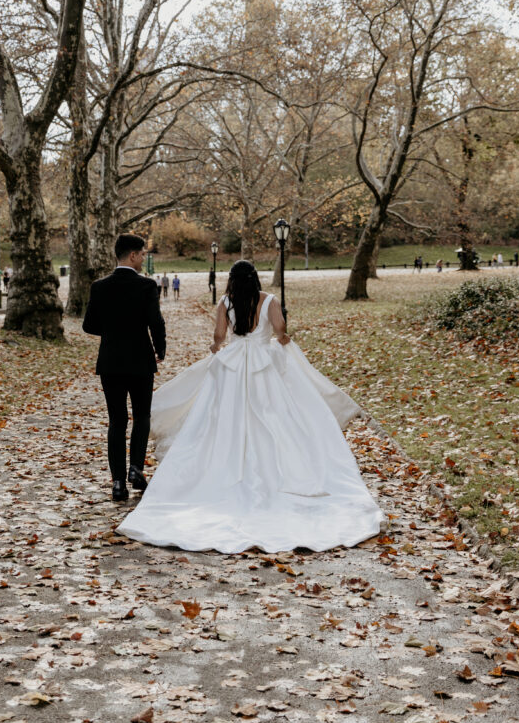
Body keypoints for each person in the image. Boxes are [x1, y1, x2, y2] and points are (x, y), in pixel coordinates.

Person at [117, 259, 384, 554]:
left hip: (232, 364)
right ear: (255, 278)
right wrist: (280, 338)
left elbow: (219, 337)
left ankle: (224, 468)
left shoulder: (225, 302)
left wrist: (222, 345)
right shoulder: (269, 300)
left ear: (232, 280)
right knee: (273, 415)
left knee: (221, 418)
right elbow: (280, 330)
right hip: (262, 363)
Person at [82, 233, 166, 502]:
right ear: (132, 255)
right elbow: (156, 322)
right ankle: (136, 469)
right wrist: (160, 349)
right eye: (142, 254)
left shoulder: (99, 287)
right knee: (142, 416)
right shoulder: (147, 286)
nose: (143, 258)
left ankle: (118, 482)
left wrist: (112, 333)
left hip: (110, 361)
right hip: (140, 360)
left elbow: (89, 325)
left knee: (117, 420)